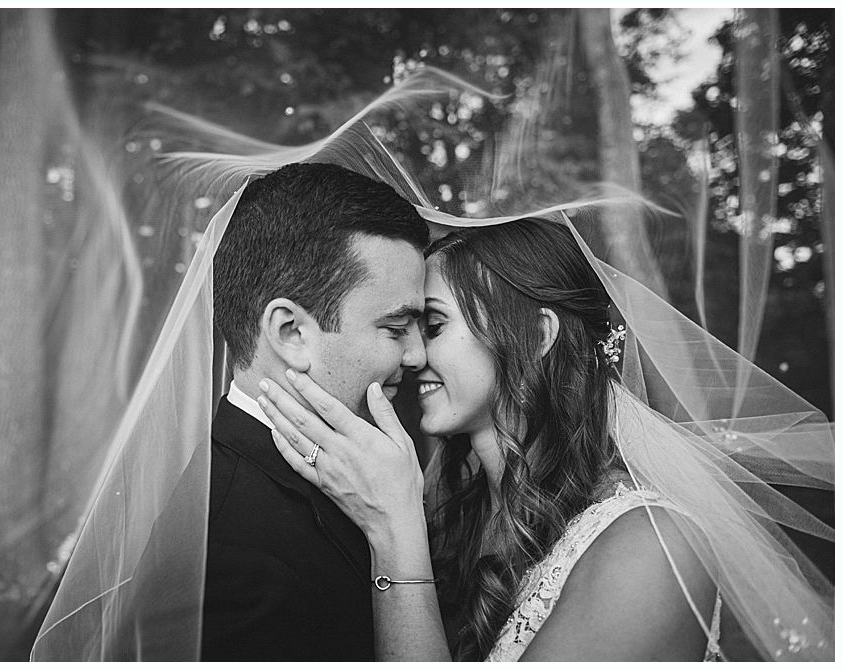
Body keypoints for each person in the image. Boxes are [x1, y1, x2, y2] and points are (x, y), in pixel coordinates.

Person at [257, 218, 834, 661]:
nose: (412, 356)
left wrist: (394, 531)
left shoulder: (655, 544)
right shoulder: (454, 512)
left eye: (432, 327)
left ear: (536, 334)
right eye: (403, 330)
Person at [190, 161, 429, 660]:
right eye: (395, 327)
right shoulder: (236, 552)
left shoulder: (353, 470)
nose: (417, 356)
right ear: (291, 333)